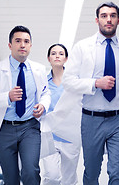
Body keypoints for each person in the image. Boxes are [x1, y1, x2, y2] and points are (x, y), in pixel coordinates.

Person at [48, 1, 119, 185]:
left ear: (118, 20)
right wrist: (95, 83)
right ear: (97, 20)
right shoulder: (82, 47)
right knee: (91, 173)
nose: (108, 19)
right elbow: (69, 81)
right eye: (104, 16)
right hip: (91, 120)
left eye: (112, 15)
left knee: (117, 172)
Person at [0, 25, 51, 185]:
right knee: (10, 178)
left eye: (26, 41)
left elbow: (46, 93)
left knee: (31, 171)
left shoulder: (39, 70)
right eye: (18, 41)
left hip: (30, 128)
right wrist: (6, 97)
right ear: (10, 45)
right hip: (4, 129)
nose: (22, 45)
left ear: (30, 46)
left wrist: (43, 105)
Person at [41, 44, 80, 185]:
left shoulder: (74, 82)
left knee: (69, 179)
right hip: (49, 136)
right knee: (52, 177)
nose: (57, 56)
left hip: (71, 137)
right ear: (48, 58)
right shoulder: (43, 83)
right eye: (53, 53)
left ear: (66, 58)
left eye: (61, 53)